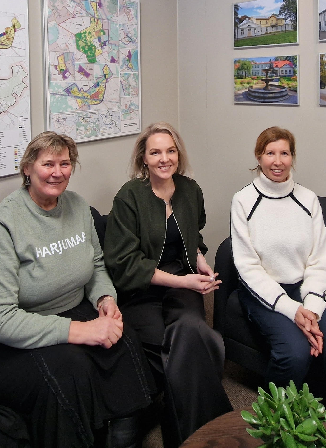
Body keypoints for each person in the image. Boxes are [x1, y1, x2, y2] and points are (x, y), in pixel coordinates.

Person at [0, 131, 156, 448]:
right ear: (27, 168)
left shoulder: (78, 206)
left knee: (124, 339)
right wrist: (81, 331)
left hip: (62, 310)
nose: (57, 172)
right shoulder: (2, 225)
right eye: (48, 163)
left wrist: (105, 299)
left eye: (65, 163)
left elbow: (96, 265)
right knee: (71, 368)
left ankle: (123, 439)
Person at [230, 126, 326, 430]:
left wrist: (310, 308)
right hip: (264, 291)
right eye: (270, 153)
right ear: (258, 157)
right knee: (295, 353)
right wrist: (292, 309)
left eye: (284, 153)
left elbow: (321, 259)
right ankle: (269, 425)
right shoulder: (243, 200)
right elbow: (247, 267)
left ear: (292, 157)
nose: (277, 161)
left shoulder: (308, 199)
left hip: (309, 290)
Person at [103, 122, 233, 448]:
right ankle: (193, 435)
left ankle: (211, 436)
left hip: (182, 279)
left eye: (171, 151)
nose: (164, 159)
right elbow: (125, 263)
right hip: (140, 288)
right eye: (155, 152)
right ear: (143, 159)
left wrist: (200, 261)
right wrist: (183, 280)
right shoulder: (129, 197)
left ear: (179, 154)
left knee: (193, 331)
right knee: (166, 343)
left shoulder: (190, 190)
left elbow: (193, 236)